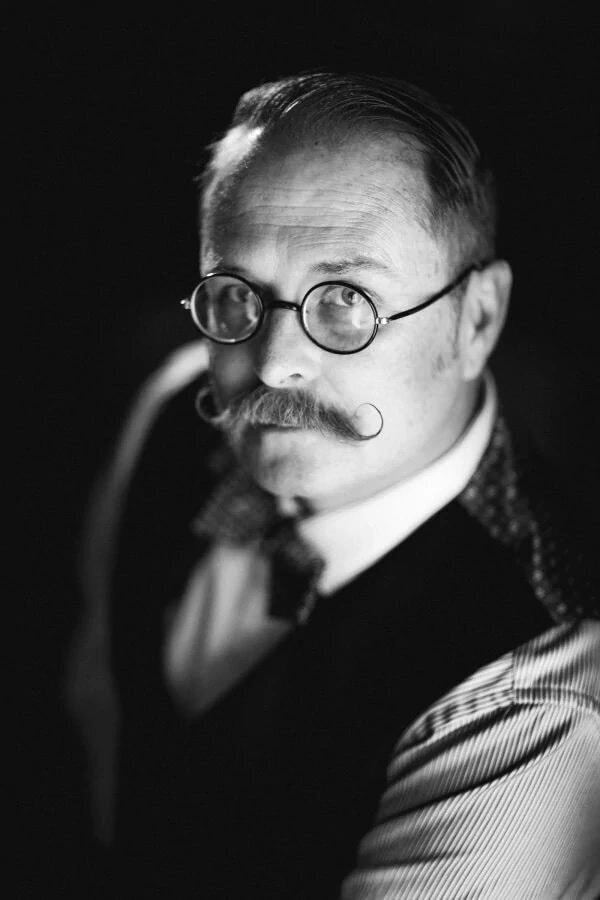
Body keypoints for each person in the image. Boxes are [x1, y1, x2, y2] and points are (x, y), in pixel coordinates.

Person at [70, 72, 600, 897]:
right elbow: (100, 697)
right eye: (236, 293)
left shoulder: (534, 701)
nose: (274, 360)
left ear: (477, 321)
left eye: (347, 300)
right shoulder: (175, 408)